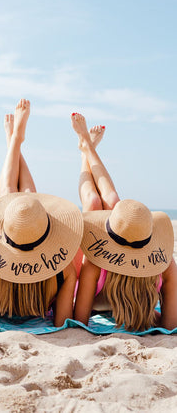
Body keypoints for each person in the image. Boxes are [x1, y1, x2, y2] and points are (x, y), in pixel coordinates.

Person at [0, 99, 84, 331]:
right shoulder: (62, 269)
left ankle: (14, 142)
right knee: (29, 201)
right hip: (48, 280)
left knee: (14, 199)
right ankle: (15, 142)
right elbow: (63, 323)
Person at [72, 112, 177, 331]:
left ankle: (85, 153)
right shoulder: (165, 263)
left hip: (99, 276)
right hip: (127, 270)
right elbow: (170, 325)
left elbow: (79, 319)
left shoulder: (95, 261)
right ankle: (88, 150)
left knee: (92, 204)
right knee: (113, 202)